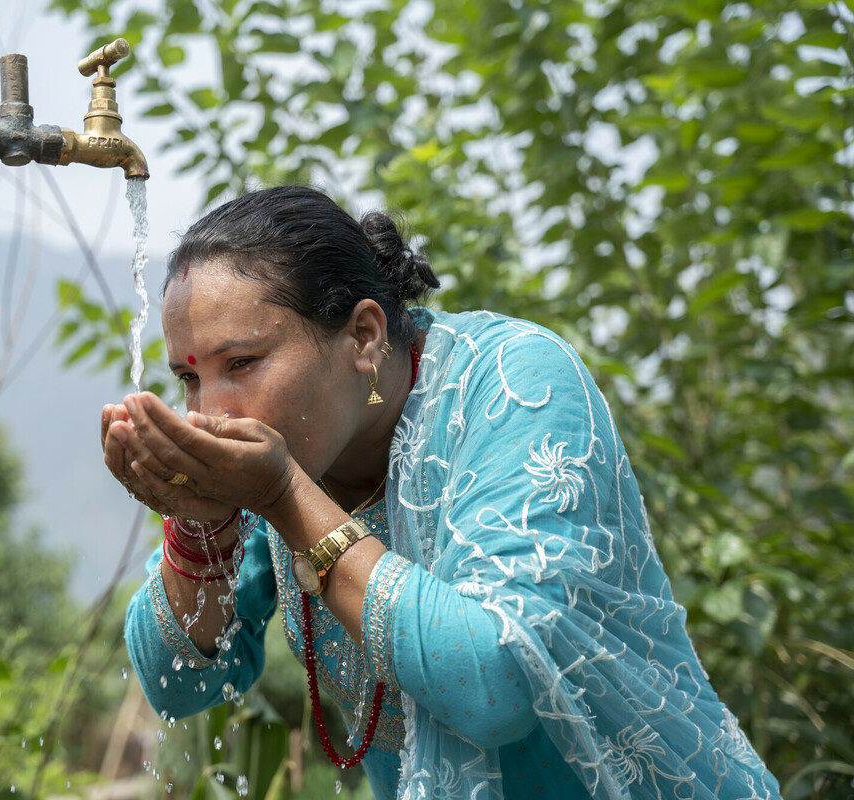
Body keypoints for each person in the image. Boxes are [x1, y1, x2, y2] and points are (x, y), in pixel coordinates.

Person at [101, 186, 780, 800]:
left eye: (241, 364)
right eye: (190, 379)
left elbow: (497, 686)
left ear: (364, 336)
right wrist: (202, 523)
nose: (207, 415)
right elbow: (179, 687)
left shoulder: (513, 385)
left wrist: (284, 497)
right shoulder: (281, 451)